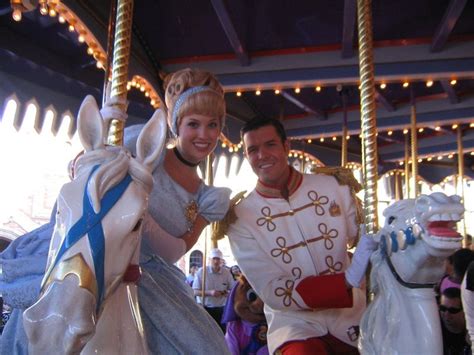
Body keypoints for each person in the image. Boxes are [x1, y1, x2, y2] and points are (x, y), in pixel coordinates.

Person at [0, 68, 232, 354]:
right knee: (32, 322)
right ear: (175, 125)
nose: (203, 135)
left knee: (207, 346)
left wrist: (139, 218)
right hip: (97, 247)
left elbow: (177, 251)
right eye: (194, 124)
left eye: (213, 125)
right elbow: (91, 171)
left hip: (149, 275)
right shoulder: (142, 147)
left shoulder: (209, 197)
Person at [226, 117, 377, 354]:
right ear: (246, 156)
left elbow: (366, 239)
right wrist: (345, 281)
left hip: (352, 316)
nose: (262, 155)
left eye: (270, 145)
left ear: (286, 147)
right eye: (253, 150)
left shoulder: (333, 186)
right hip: (294, 326)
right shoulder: (240, 218)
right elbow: (274, 291)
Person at [193, 248, 234, 332]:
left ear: (221, 260)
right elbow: (195, 292)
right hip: (205, 308)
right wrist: (210, 293)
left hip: (222, 309)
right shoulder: (202, 272)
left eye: (218, 259)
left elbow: (232, 289)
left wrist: (227, 293)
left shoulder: (226, 273)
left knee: (223, 333)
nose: (216, 261)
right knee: (207, 333)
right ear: (209, 260)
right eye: (214, 259)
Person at [439, 287, 470, 355]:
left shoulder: (471, 331)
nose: (447, 315)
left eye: (453, 310)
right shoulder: (435, 327)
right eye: (443, 308)